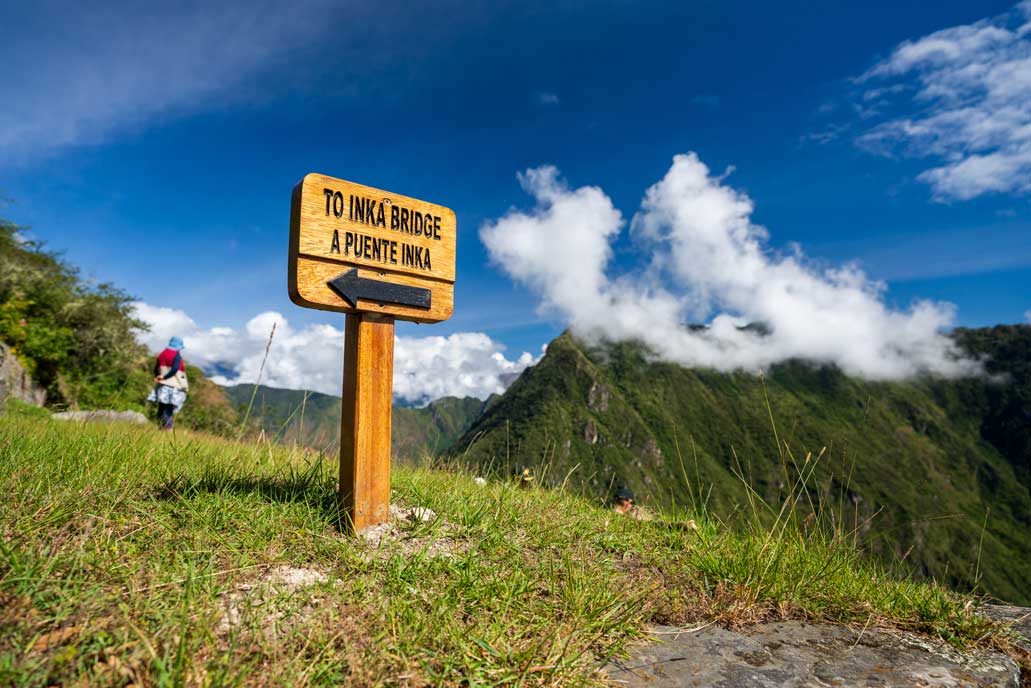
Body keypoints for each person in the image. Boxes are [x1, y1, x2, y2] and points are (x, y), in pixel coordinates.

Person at [149, 336, 189, 430]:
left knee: (161, 408)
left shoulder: (162, 354)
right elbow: (175, 369)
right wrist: (165, 377)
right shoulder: (176, 355)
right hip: (174, 386)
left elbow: (156, 368)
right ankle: (168, 428)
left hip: (162, 385)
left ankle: (160, 427)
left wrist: (158, 377)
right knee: (168, 409)